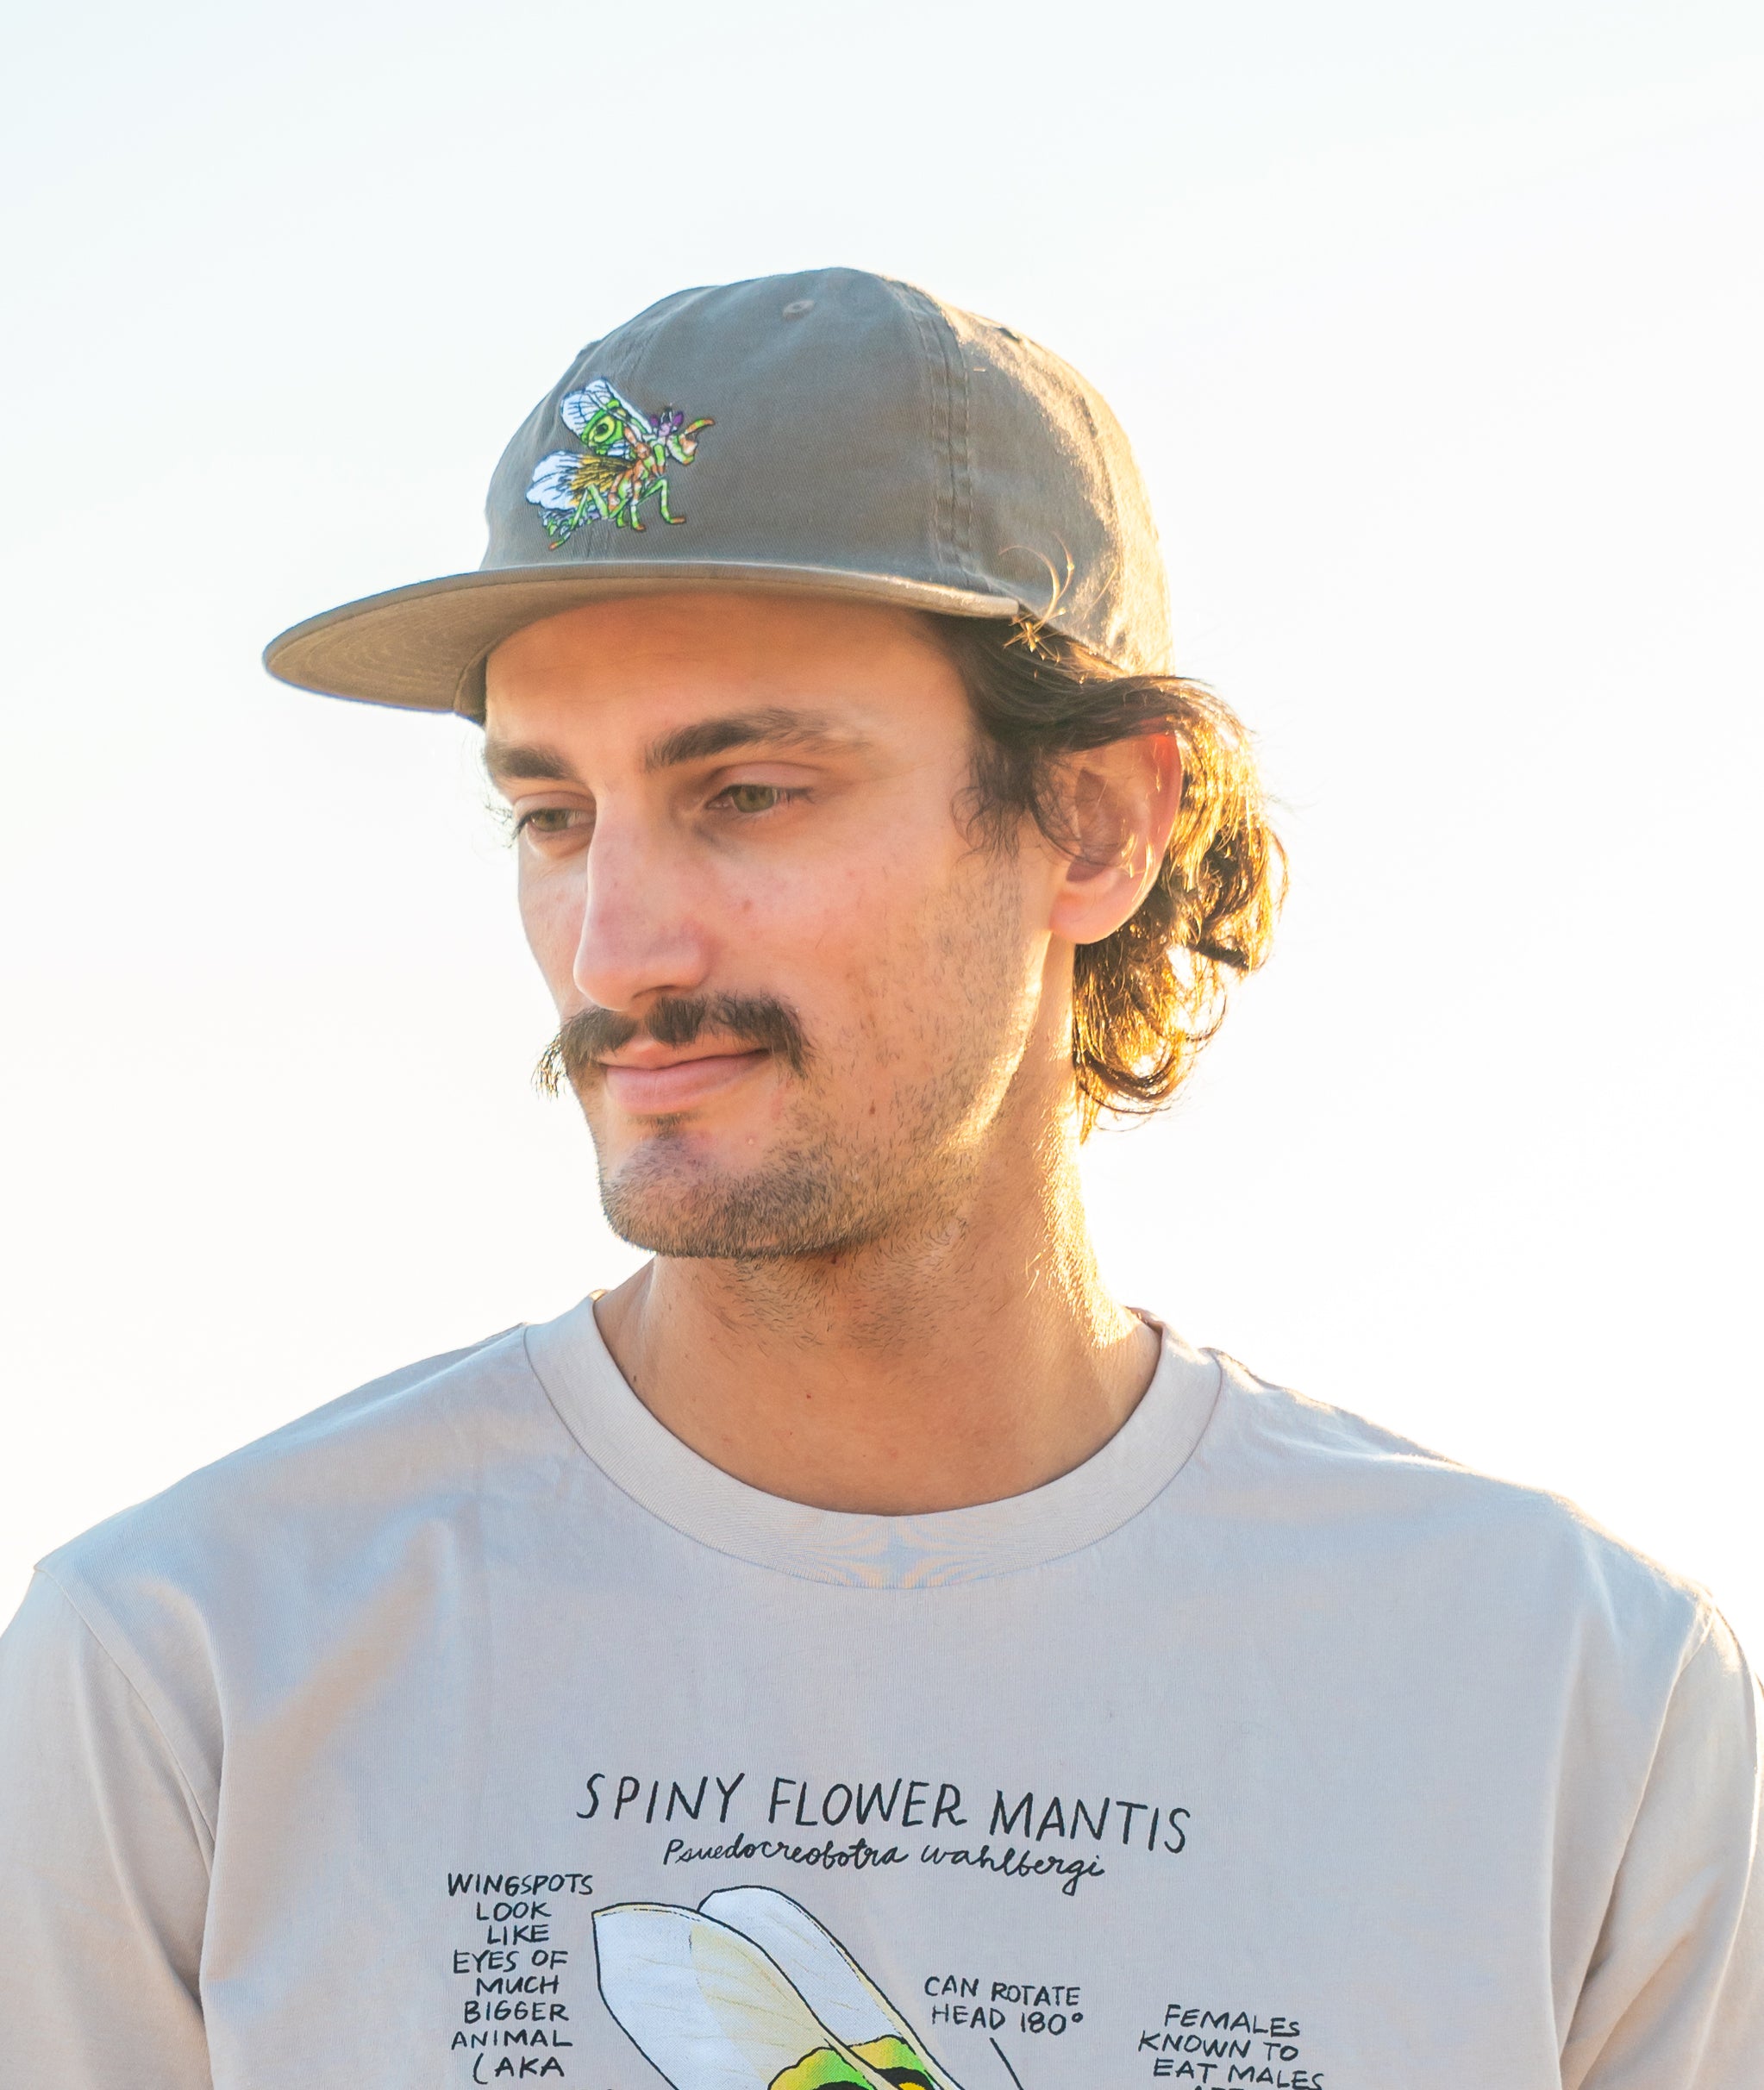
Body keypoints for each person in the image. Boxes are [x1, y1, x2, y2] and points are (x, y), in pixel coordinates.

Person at [0, 266, 1756, 2090]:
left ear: (1093, 825)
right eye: (550, 816)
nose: (613, 946)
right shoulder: (185, 1671)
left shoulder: (1572, 1708)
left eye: (748, 791)